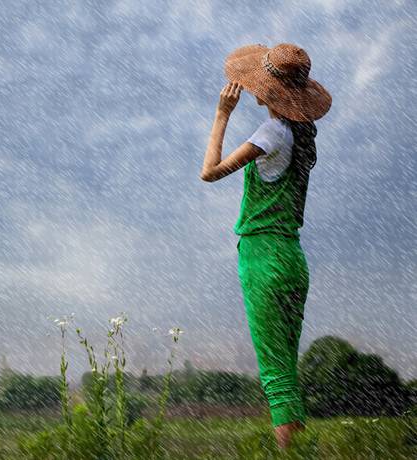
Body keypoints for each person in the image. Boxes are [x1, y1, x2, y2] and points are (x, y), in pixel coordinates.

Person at [199, 43, 332, 449]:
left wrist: (222, 115)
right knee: (286, 370)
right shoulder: (299, 135)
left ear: (272, 90)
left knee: (275, 375)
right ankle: (299, 451)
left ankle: (288, 454)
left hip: (264, 258)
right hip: (292, 257)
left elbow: (210, 172)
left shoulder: (271, 133)